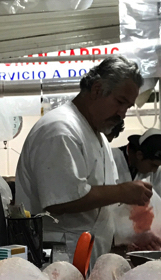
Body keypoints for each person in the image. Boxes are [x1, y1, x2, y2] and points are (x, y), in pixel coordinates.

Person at [15, 55, 153, 264]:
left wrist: (123, 237)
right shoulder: (60, 130)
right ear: (97, 90)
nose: (122, 114)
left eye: (127, 107)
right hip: (60, 259)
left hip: (88, 254)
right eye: (119, 102)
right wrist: (124, 192)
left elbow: (99, 202)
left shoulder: (97, 135)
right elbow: (62, 200)